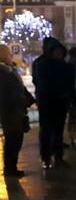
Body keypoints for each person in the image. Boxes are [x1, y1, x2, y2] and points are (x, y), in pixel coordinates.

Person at [33, 37, 72, 169]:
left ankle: (58, 156)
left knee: (58, 131)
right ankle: (46, 157)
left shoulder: (62, 64)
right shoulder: (41, 64)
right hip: (47, 102)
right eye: (56, 51)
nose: (59, 54)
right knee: (47, 131)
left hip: (59, 102)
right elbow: (41, 83)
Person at [0, 44, 34, 177]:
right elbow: (8, 93)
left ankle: (11, 167)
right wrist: (21, 100)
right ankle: (10, 168)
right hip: (11, 111)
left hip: (16, 110)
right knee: (13, 140)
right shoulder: (4, 72)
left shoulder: (9, 70)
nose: (11, 56)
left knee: (15, 139)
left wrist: (28, 99)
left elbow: (20, 88)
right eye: (8, 53)